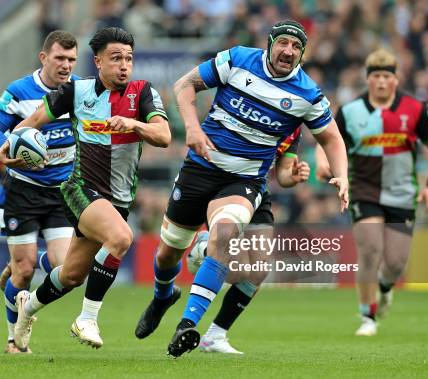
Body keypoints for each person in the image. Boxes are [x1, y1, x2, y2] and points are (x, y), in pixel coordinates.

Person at [133, 19, 349, 358]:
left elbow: (327, 142)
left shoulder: (306, 97)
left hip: (245, 181)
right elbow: (184, 85)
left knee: (238, 247)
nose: (288, 51)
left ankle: (193, 327)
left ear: (302, 55)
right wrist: (191, 128)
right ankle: (163, 296)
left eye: (296, 48)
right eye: (283, 44)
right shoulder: (236, 59)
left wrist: (339, 176)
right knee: (168, 252)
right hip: (200, 169)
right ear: (269, 43)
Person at [9, 27, 170, 351]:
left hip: (119, 197)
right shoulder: (76, 91)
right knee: (122, 237)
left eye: (129, 58)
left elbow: (164, 135)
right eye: (116, 58)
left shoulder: (143, 93)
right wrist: (8, 148)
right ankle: (87, 318)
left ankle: (27, 309)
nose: (124, 65)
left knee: (70, 275)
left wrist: (135, 124)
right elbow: (33, 120)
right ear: (97, 61)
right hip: (80, 188)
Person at [315, 49, 428, 337]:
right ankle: (367, 317)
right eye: (376, 76)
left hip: (402, 194)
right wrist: (324, 164)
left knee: (396, 263)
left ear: (396, 80)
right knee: (370, 249)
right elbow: (326, 139)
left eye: (387, 76)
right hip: (365, 190)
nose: (382, 82)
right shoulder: (350, 111)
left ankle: (386, 288)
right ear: (368, 79)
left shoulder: (415, 109)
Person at [0, 30, 80, 354]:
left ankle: (27, 260)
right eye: (59, 58)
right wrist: (3, 148)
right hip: (22, 191)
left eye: (71, 60)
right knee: (23, 274)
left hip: (60, 191)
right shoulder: (19, 91)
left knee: (66, 272)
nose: (66, 65)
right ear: (43, 58)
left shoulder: (80, 91)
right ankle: (14, 340)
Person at [185, 129, 310, 354]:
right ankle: (205, 248)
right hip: (227, 186)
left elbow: (282, 173)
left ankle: (215, 335)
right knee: (239, 271)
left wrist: (291, 177)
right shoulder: (265, 99)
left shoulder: (296, 126)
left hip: (259, 190)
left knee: (259, 270)